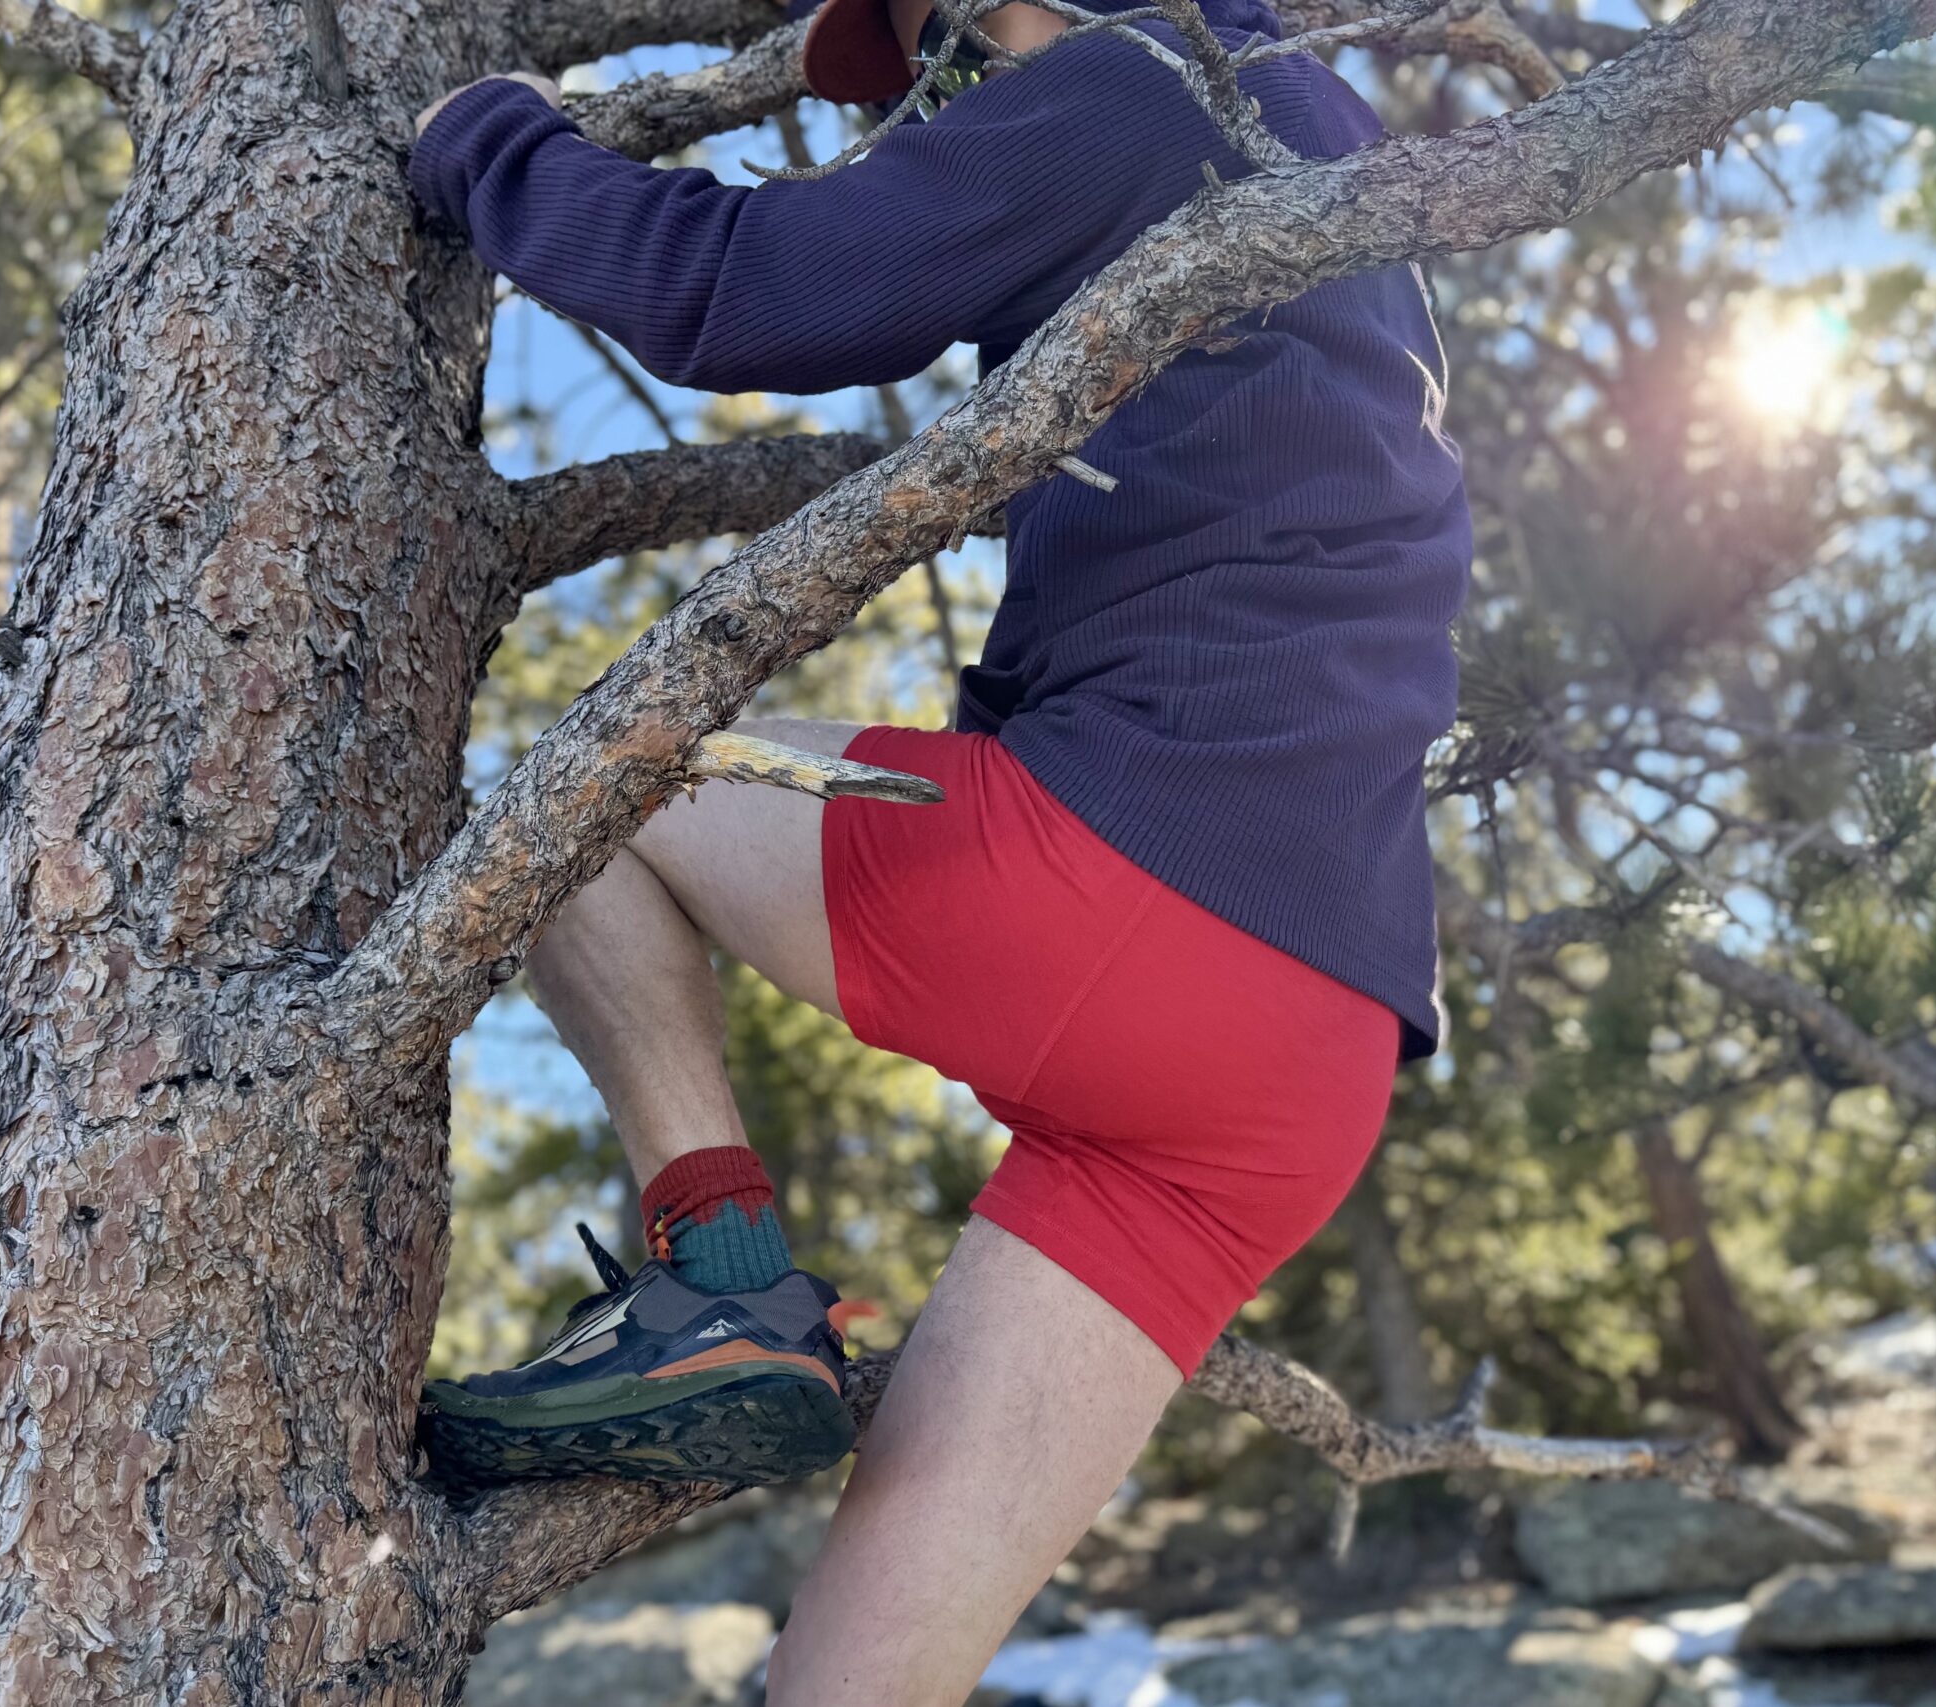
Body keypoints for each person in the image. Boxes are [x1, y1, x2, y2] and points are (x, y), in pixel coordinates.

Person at [407, 0, 1467, 1690]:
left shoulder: (1140, 81)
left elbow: (738, 289)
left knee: (596, 793)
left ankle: (719, 1271)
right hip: (1311, 1048)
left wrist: (486, 140)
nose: (918, 105)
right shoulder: (1320, 134)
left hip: (1140, 881)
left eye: (930, 43)